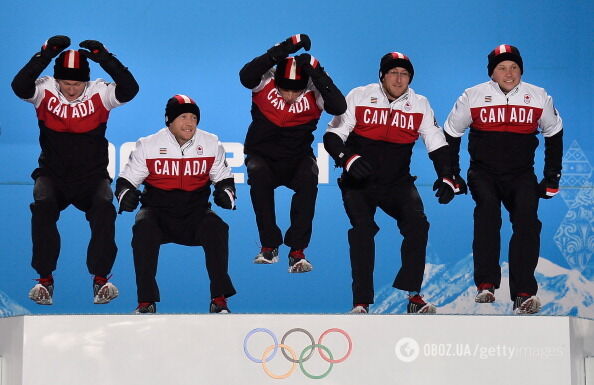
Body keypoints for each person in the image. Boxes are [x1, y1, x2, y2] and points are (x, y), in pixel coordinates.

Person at [324, 52, 459, 314]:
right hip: (358, 181)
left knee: (418, 224)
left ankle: (414, 296)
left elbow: (436, 141)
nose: (399, 79)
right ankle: (361, 303)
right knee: (363, 231)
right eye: (393, 73)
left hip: (396, 182)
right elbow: (332, 135)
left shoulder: (420, 103)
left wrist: (446, 174)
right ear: (382, 76)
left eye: (405, 74)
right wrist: (348, 158)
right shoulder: (359, 95)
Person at [11, 35, 139, 305]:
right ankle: (44, 280)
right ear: (56, 80)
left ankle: (101, 280)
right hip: (52, 175)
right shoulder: (44, 89)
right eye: (66, 83)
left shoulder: (100, 92)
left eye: (77, 83)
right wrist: (44, 54)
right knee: (43, 205)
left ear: (86, 81)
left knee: (104, 209)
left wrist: (105, 57)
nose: (71, 90)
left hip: (91, 177)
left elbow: (130, 88)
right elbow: (19, 86)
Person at [444, 44, 563, 314]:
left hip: (521, 174)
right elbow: (451, 133)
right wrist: (453, 174)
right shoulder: (472, 96)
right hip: (483, 173)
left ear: (521, 70)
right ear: (492, 73)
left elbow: (554, 134)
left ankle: (523, 293)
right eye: (502, 68)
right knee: (487, 213)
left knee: (527, 221)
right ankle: (486, 284)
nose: (509, 73)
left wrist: (552, 176)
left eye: (514, 67)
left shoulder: (539, 96)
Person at [116, 95, 237, 314]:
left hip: (196, 213)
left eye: (193, 117)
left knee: (217, 228)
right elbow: (126, 182)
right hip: (157, 213)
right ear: (169, 120)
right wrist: (125, 196)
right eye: (183, 117)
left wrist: (226, 194)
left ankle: (219, 299)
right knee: (142, 228)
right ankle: (146, 302)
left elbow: (225, 180)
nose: (189, 123)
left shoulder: (211, 143)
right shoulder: (148, 145)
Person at [239, 34, 347, 273]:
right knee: (257, 175)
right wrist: (281, 50)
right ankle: (269, 245)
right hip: (262, 156)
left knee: (310, 177)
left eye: (295, 91)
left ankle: (297, 251)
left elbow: (339, 107)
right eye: (284, 89)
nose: (289, 96)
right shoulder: (265, 81)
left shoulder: (313, 90)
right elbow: (245, 75)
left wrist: (318, 73)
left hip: (297, 158)